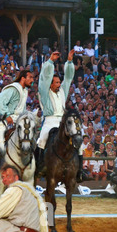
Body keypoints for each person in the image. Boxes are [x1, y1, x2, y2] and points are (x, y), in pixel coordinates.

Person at [35, 50, 79, 179]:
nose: (59, 85)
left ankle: (79, 168)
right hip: (49, 121)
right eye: (56, 83)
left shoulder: (62, 91)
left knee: (77, 138)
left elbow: (69, 78)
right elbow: (44, 77)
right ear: (50, 84)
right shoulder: (44, 91)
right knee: (42, 139)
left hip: (62, 121)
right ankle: (40, 165)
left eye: (59, 83)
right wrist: (50, 61)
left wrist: (69, 62)